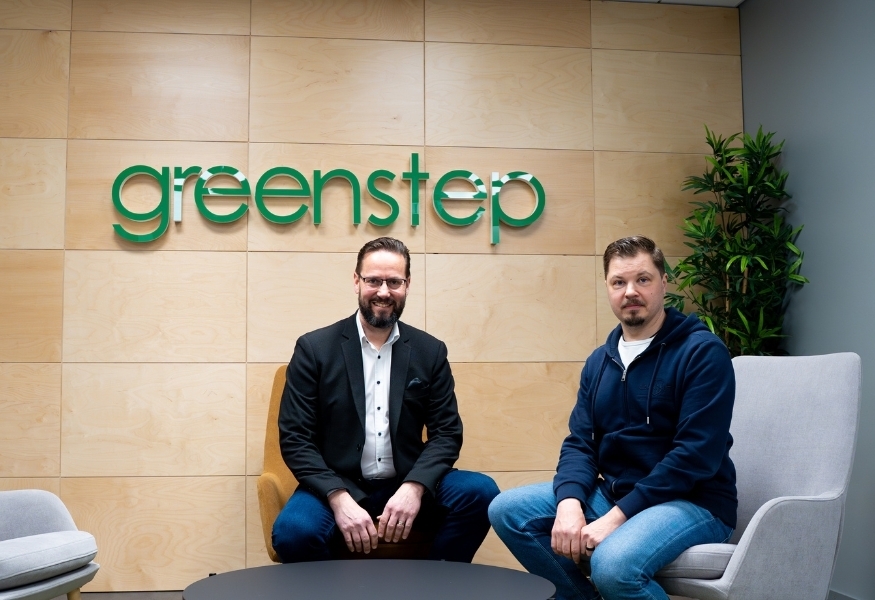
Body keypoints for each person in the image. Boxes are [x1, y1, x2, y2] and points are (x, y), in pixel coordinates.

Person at [489, 235, 737, 600]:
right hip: (616, 492)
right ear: (607, 288)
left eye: (643, 279)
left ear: (664, 282)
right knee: (508, 511)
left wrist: (616, 518)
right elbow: (580, 443)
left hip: (693, 501)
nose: (630, 291)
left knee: (612, 564)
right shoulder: (599, 361)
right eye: (619, 282)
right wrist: (569, 502)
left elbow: (695, 455)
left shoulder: (702, 352)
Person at [272, 236, 499, 563]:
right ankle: (339, 588)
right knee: (293, 532)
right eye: (373, 281)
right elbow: (295, 438)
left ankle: (437, 582)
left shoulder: (430, 351)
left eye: (394, 282)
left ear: (407, 284)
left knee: (480, 493)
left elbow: (447, 434)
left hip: (407, 480)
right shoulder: (314, 349)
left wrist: (414, 487)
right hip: (337, 482)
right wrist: (338, 497)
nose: (383, 291)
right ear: (356, 281)